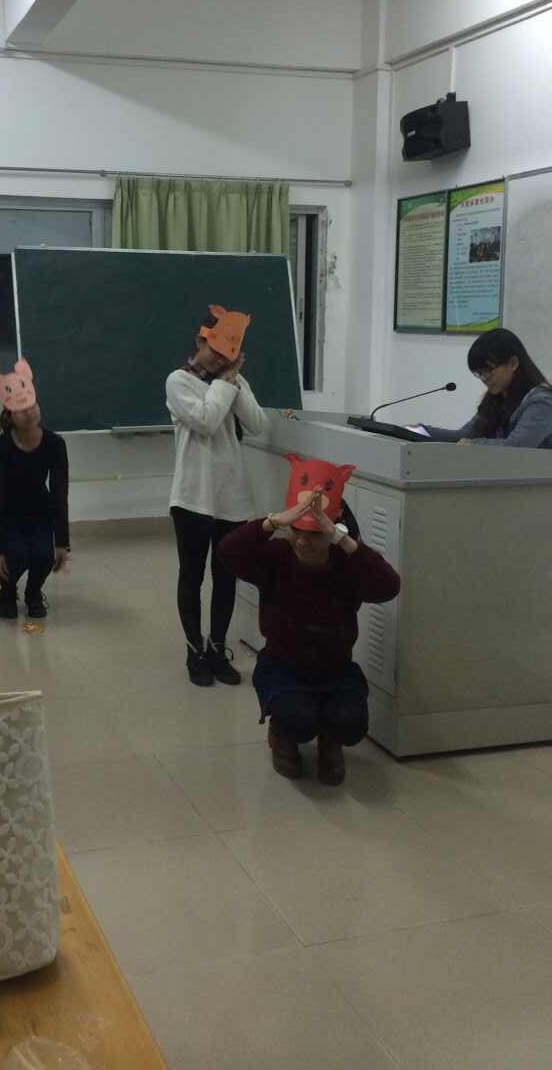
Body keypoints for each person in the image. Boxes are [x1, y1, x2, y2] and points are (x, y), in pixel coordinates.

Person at [219, 456, 401, 785]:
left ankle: (331, 740)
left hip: (335, 669)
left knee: (351, 723)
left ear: (332, 533)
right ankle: (283, 734)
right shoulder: (278, 557)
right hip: (283, 666)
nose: (302, 541)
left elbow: (389, 586)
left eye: (315, 535)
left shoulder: (347, 564)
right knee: (297, 717)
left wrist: (343, 540)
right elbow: (228, 553)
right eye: (297, 531)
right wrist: (273, 522)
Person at [165, 306, 267, 687]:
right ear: (200, 341)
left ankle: (217, 648)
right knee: (192, 576)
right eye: (216, 350)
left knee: (226, 578)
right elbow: (206, 421)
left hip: (232, 498)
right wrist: (227, 382)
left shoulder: (233, 380)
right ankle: (194, 650)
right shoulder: (179, 380)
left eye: (230, 352)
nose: (222, 359)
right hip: (192, 497)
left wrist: (233, 383)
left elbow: (258, 425)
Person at [423, 328, 552, 541]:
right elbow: (462, 435)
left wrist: (473, 445)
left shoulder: (542, 402)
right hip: (522, 500)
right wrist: (421, 431)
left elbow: (515, 448)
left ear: (513, 363)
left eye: (488, 370)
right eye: (479, 373)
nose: (484, 379)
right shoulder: (496, 400)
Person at [0, 359, 70, 620]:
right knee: (16, 556)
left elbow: (59, 493)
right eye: (22, 410)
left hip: (39, 512)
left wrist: (62, 542)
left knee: (43, 557)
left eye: (32, 406)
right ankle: (7, 591)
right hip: (9, 515)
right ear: (10, 415)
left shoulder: (55, 444)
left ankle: (33, 592)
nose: (30, 413)